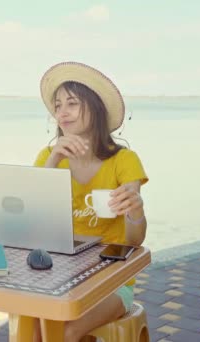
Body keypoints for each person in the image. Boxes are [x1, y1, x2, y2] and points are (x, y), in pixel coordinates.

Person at [33, 61, 149, 342]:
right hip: (60, 277)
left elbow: (133, 242)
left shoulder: (123, 160)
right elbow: (32, 221)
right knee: (34, 330)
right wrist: (53, 160)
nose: (62, 112)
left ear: (95, 108)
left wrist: (135, 210)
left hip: (111, 283)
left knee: (66, 331)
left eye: (72, 103)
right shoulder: (49, 157)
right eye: (58, 105)